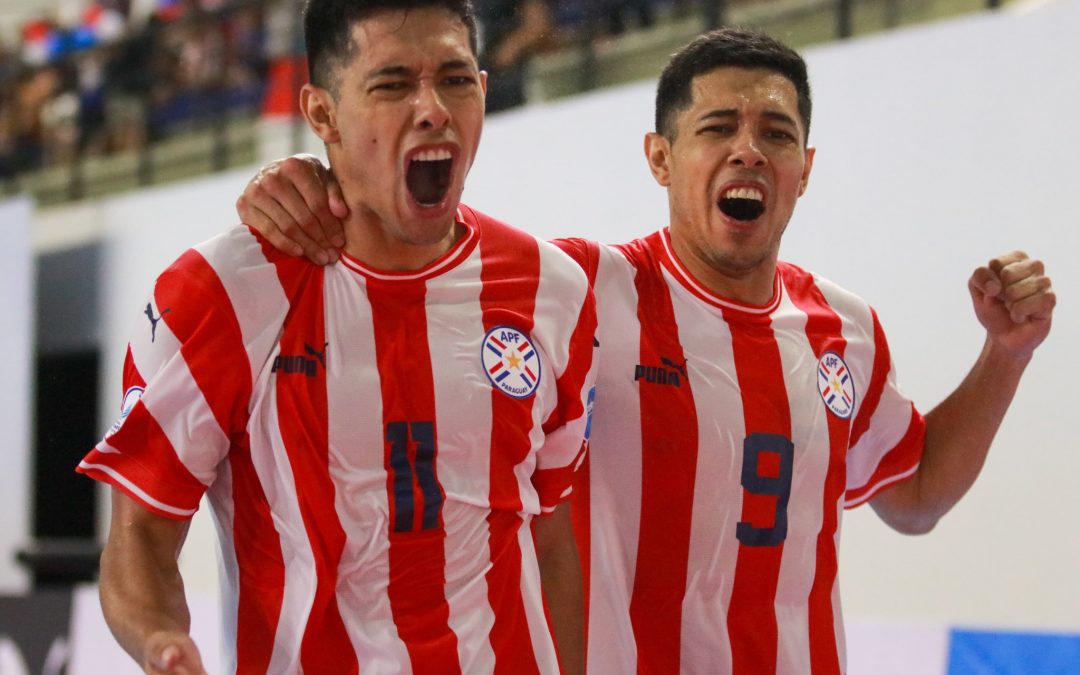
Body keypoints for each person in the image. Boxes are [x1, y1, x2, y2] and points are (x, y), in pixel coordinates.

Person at [234, 27, 1056, 674]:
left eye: (776, 133)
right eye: (718, 127)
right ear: (660, 158)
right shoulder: (576, 289)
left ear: (804, 169)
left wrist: (1006, 353)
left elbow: (915, 495)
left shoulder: (847, 328)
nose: (748, 149)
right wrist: (316, 178)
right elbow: (419, 240)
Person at [78, 1, 596, 673]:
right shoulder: (220, 295)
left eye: (455, 80)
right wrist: (159, 641)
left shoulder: (553, 289)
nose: (433, 109)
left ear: (484, 90)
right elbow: (142, 532)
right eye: (392, 84)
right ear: (322, 114)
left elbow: (550, 531)